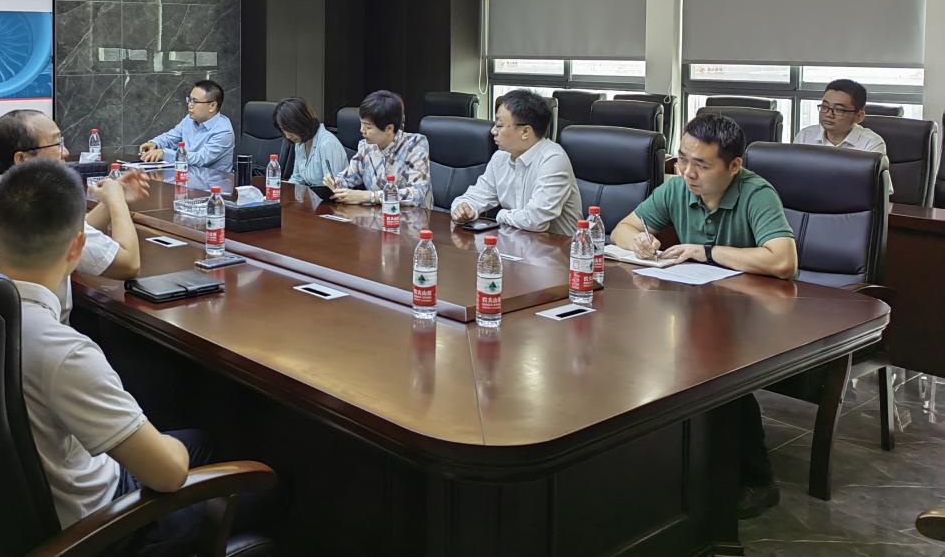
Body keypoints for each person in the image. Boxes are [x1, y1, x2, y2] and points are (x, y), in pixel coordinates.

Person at [0, 158, 213, 550]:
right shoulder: (63, 352)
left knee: (196, 439)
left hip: (9, 514)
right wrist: (167, 448)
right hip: (96, 529)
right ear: (78, 247)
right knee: (254, 482)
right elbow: (170, 474)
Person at [609, 113, 797, 519]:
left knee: (720, 369)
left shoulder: (756, 193)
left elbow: (783, 261)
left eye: (701, 164)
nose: (687, 172)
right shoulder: (677, 187)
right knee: (641, 352)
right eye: (682, 159)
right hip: (700, 306)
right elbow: (623, 228)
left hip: (757, 313)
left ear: (734, 166)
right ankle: (673, 464)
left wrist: (705, 251)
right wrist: (639, 240)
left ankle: (757, 480)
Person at [0, 109, 145, 322]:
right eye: (57, 144)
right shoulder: (40, 206)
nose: (65, 152)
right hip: (40, 334)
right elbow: (129, 264)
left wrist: (109, 202)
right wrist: (117, 201)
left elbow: (64, 233)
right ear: (22, 159)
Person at [449, 89, 581, 237]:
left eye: (499, 125)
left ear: (525, 132)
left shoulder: (553, 159)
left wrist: (500, 215)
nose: (493, 131)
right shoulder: (500, 158)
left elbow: (535, 220)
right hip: (516, 242)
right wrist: (465, 208)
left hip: (558, 247)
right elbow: (475, 196)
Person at [325, 90, 431, 207]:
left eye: (368, 127)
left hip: (411, 216)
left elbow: (416, 194)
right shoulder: (366, 147)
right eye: (361, 124)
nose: (362, 130)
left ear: (389, 129)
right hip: (375, 215)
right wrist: (335, 183)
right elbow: (348, 177)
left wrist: (370, 196)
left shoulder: (415, 144)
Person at [139, 80, 234, 169]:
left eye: (195, 101)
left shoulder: (224, 131)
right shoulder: (189, 119)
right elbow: (171, 137)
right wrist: (155, 144)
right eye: (189, 100)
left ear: (212, 106)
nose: (189, 105)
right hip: (186, 175)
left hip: (212, 180)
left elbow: (200, 159)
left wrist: (164, 154)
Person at [793, 78, 888, 155]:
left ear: (859, 116)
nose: (828, 114)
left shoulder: (871, 144)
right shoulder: (805, 136)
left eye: (838, 110)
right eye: (825, 107)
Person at [273, 97, 347, 187]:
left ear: (302, 122)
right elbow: (298, 178)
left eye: (289, 129)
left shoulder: (327, 144)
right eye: (283, 129)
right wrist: (282, 188)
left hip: (328, 195)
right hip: (311, 194)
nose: (287, 136)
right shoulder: (300, 142)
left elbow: (336, 187)